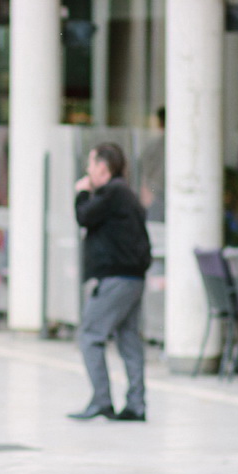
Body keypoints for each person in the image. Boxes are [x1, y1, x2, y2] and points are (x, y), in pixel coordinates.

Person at [69, 142, 152, 422]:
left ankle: (102, 401)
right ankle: (136, 404)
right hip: (132, 278)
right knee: (128, 339)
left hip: (116, 278)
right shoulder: (124, 193)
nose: (87, 170)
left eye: (91, 164)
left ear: (102, 168)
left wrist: (82, 192)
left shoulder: (113, 192)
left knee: (90, 335)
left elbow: (84, 216)